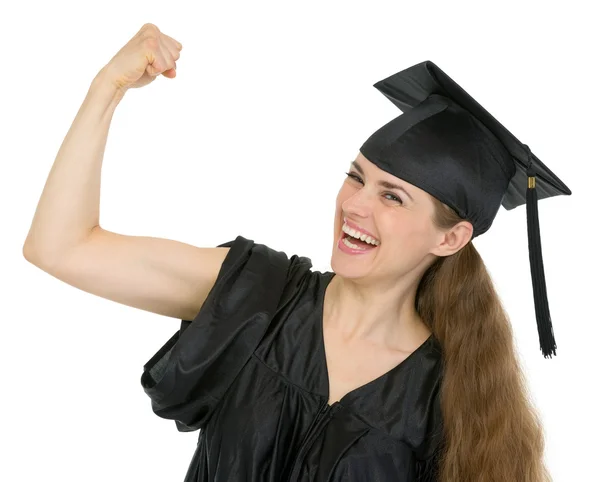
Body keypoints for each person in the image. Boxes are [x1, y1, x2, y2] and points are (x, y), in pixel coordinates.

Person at [22, 23, 569, 482]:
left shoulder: (452, 400)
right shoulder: (259, 297)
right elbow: (60, 247)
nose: (355, 205)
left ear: (450, 238)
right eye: (356, 178)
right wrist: (106, 87)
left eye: (392, 196)